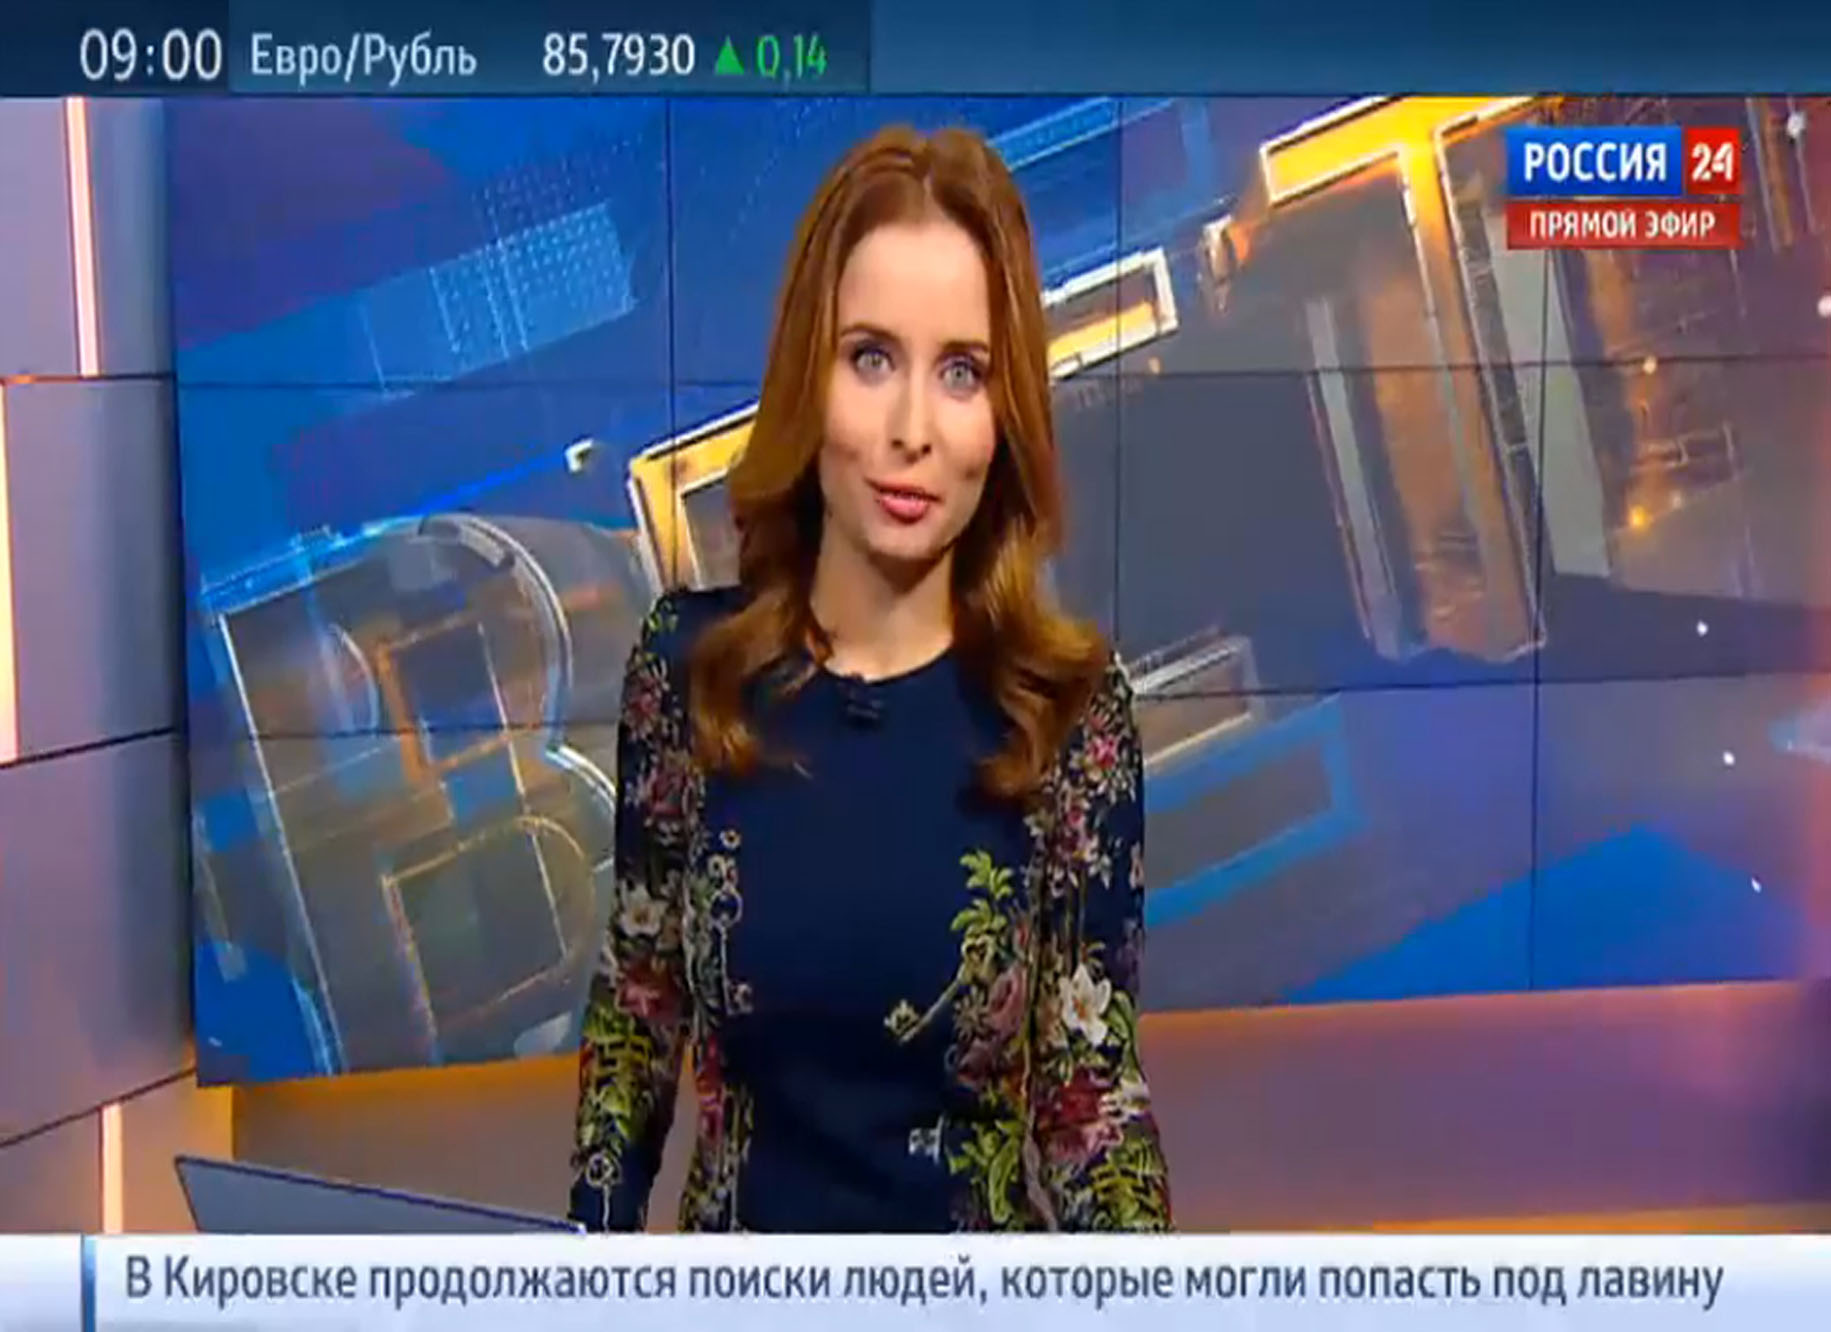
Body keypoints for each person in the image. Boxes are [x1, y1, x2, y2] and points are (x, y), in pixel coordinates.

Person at [569, 123, 1171, 1233]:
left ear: (1005, 413)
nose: (910, 431)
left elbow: (1087, 1097)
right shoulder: (687, 672)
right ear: (809, 378)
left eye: (961, 373)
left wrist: (1150, 1298)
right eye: (870, 359)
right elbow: (639, 1007)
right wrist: (583, 1272)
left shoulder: (1071, 719)